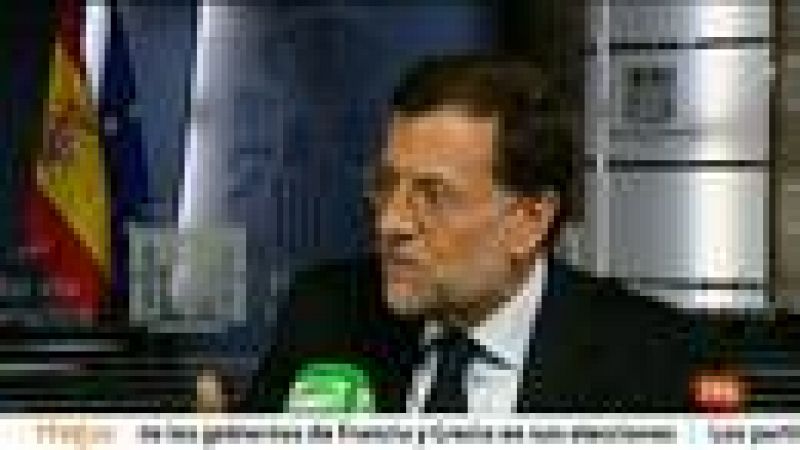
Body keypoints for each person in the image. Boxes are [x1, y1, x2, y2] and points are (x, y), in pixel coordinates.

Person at [244, 54, 700, 413]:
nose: (390, 223)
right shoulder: (324, 315)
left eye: (432, 195)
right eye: (386, 185)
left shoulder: (654, 359)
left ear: (530, 221)